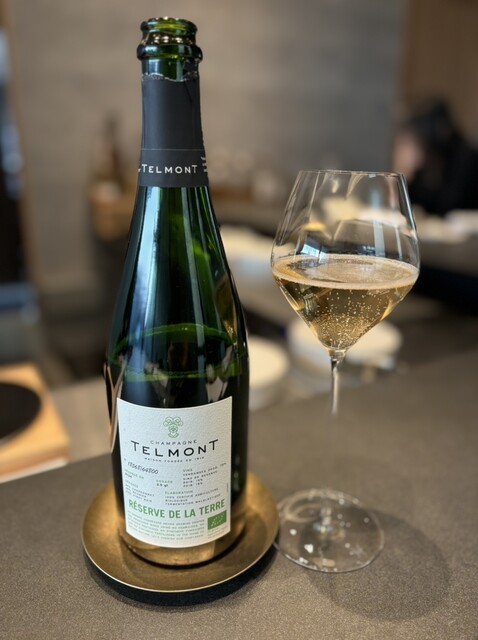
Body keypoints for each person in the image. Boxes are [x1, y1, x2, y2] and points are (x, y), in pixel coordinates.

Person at [392, 100, 478, 216]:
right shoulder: (426, 164)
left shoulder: (466, 159)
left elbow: (448, 206)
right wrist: (403, 176)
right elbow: (413, 202)